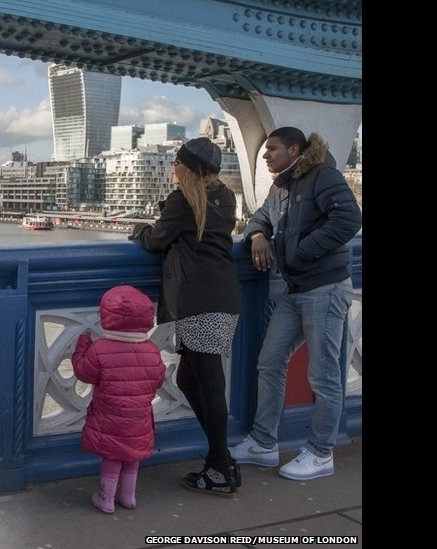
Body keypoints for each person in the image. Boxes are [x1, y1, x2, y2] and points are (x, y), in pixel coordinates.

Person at [230, 127, 361, 481]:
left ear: (294, 149)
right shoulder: (281, 187)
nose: (266, 156)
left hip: (325, 289)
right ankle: (263, 444)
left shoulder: (323, 176)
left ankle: (321, 452)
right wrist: (258, 235)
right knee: (270, 362)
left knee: (323, 375)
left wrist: (301, 251)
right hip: (294, 290)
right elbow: (259, 218)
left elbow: (349, 218)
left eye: (271, 149)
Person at [129, 137, 243, 496]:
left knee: (208, 385)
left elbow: (156, 240)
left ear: (186, 167)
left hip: (198, 301)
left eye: (176, 161)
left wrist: (140, 230)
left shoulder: (183, 200)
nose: (172, 167)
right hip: (223, 296)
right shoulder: (225, 197)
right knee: (190, 383)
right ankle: (221, 457)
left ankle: (219, 468)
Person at [72, 285, 166, 514]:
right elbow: (159, 378)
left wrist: (82, 346)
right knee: (132, 457)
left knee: (113, 458)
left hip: (110, 417)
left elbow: (84, 373)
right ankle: (128, 496)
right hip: (139, 417)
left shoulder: (100, 349)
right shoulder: (152, 350)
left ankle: (106, 498)